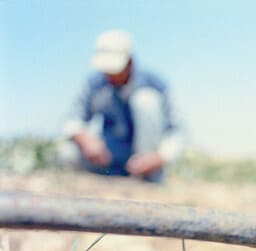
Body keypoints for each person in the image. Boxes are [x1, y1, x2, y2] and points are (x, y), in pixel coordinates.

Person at [61, 29, 184, 182]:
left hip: (146, 160)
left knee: (146, 100)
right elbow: (72, 120)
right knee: (69, 152)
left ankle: (146, 177)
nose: (110, 75)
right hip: (111, 154)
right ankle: (110, 177)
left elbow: (176, 131)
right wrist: (86, 140)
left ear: (130, 62)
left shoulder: (155, 84)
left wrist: (158, 158)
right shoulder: (95, 84)